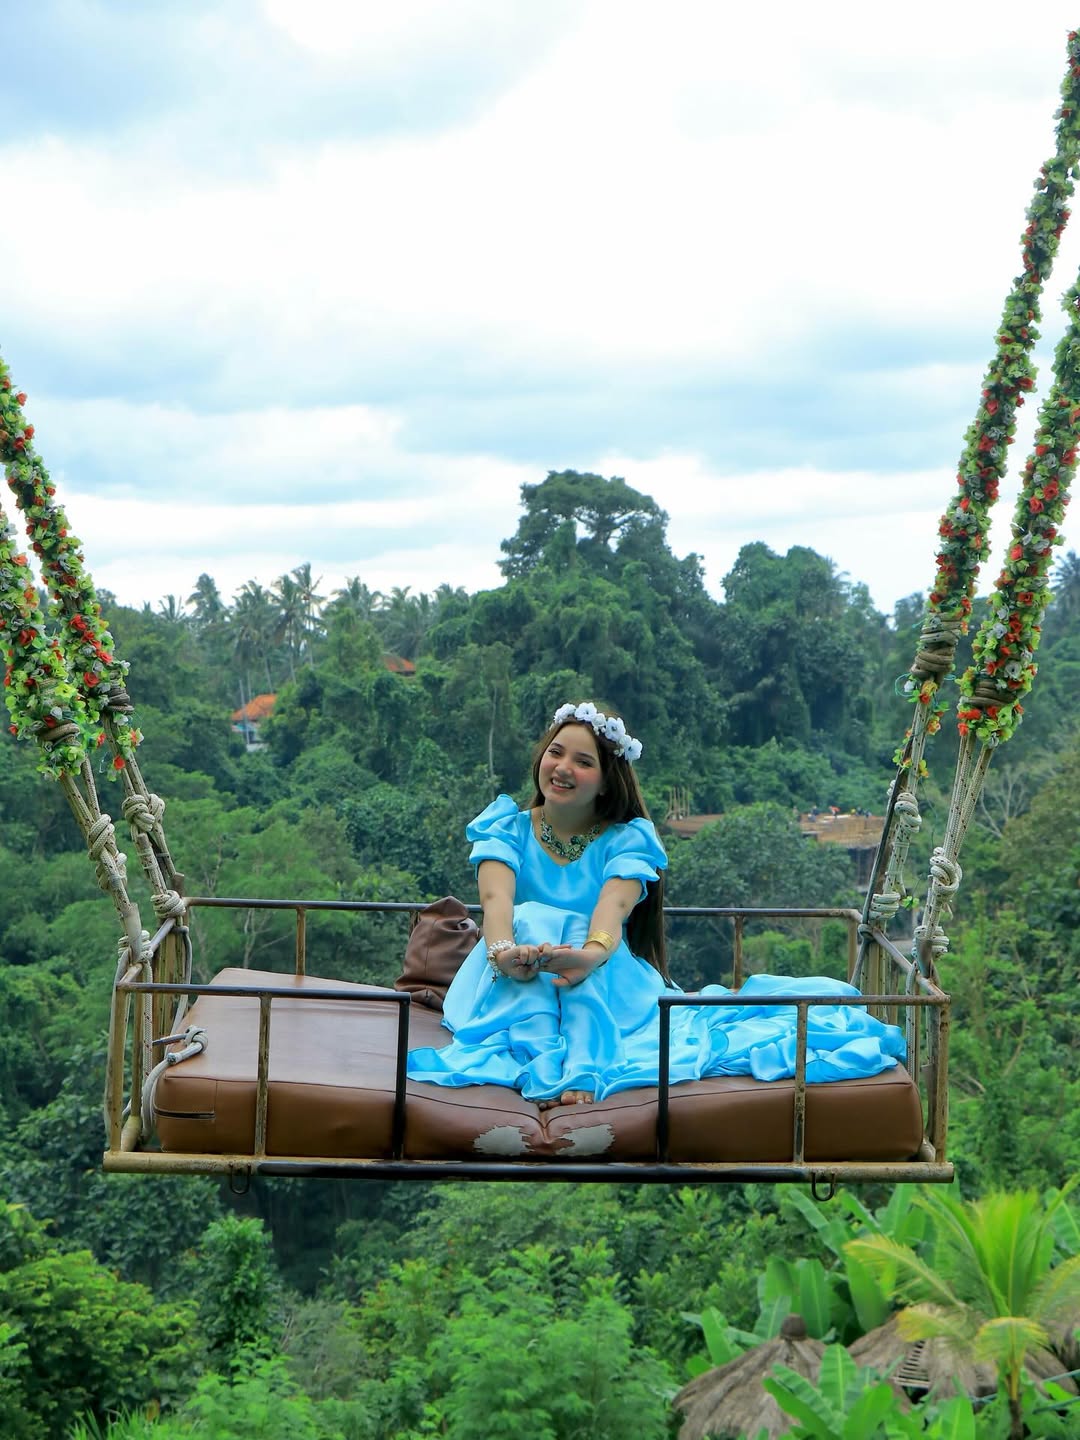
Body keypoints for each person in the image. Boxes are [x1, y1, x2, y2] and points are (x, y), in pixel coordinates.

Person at [406, 702, 905, 1108]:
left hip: (600, 972)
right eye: (556, 753)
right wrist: (503, 953)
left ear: (606, 780)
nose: (562, 768)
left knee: (571, 940)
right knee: (532, 916)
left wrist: (588, 956)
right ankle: (549, 1058)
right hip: (508, 974)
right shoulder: (506, 828)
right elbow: (496, 901)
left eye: (583, 762)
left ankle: (579, 1061)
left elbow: (610, 909)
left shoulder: (626, 841)